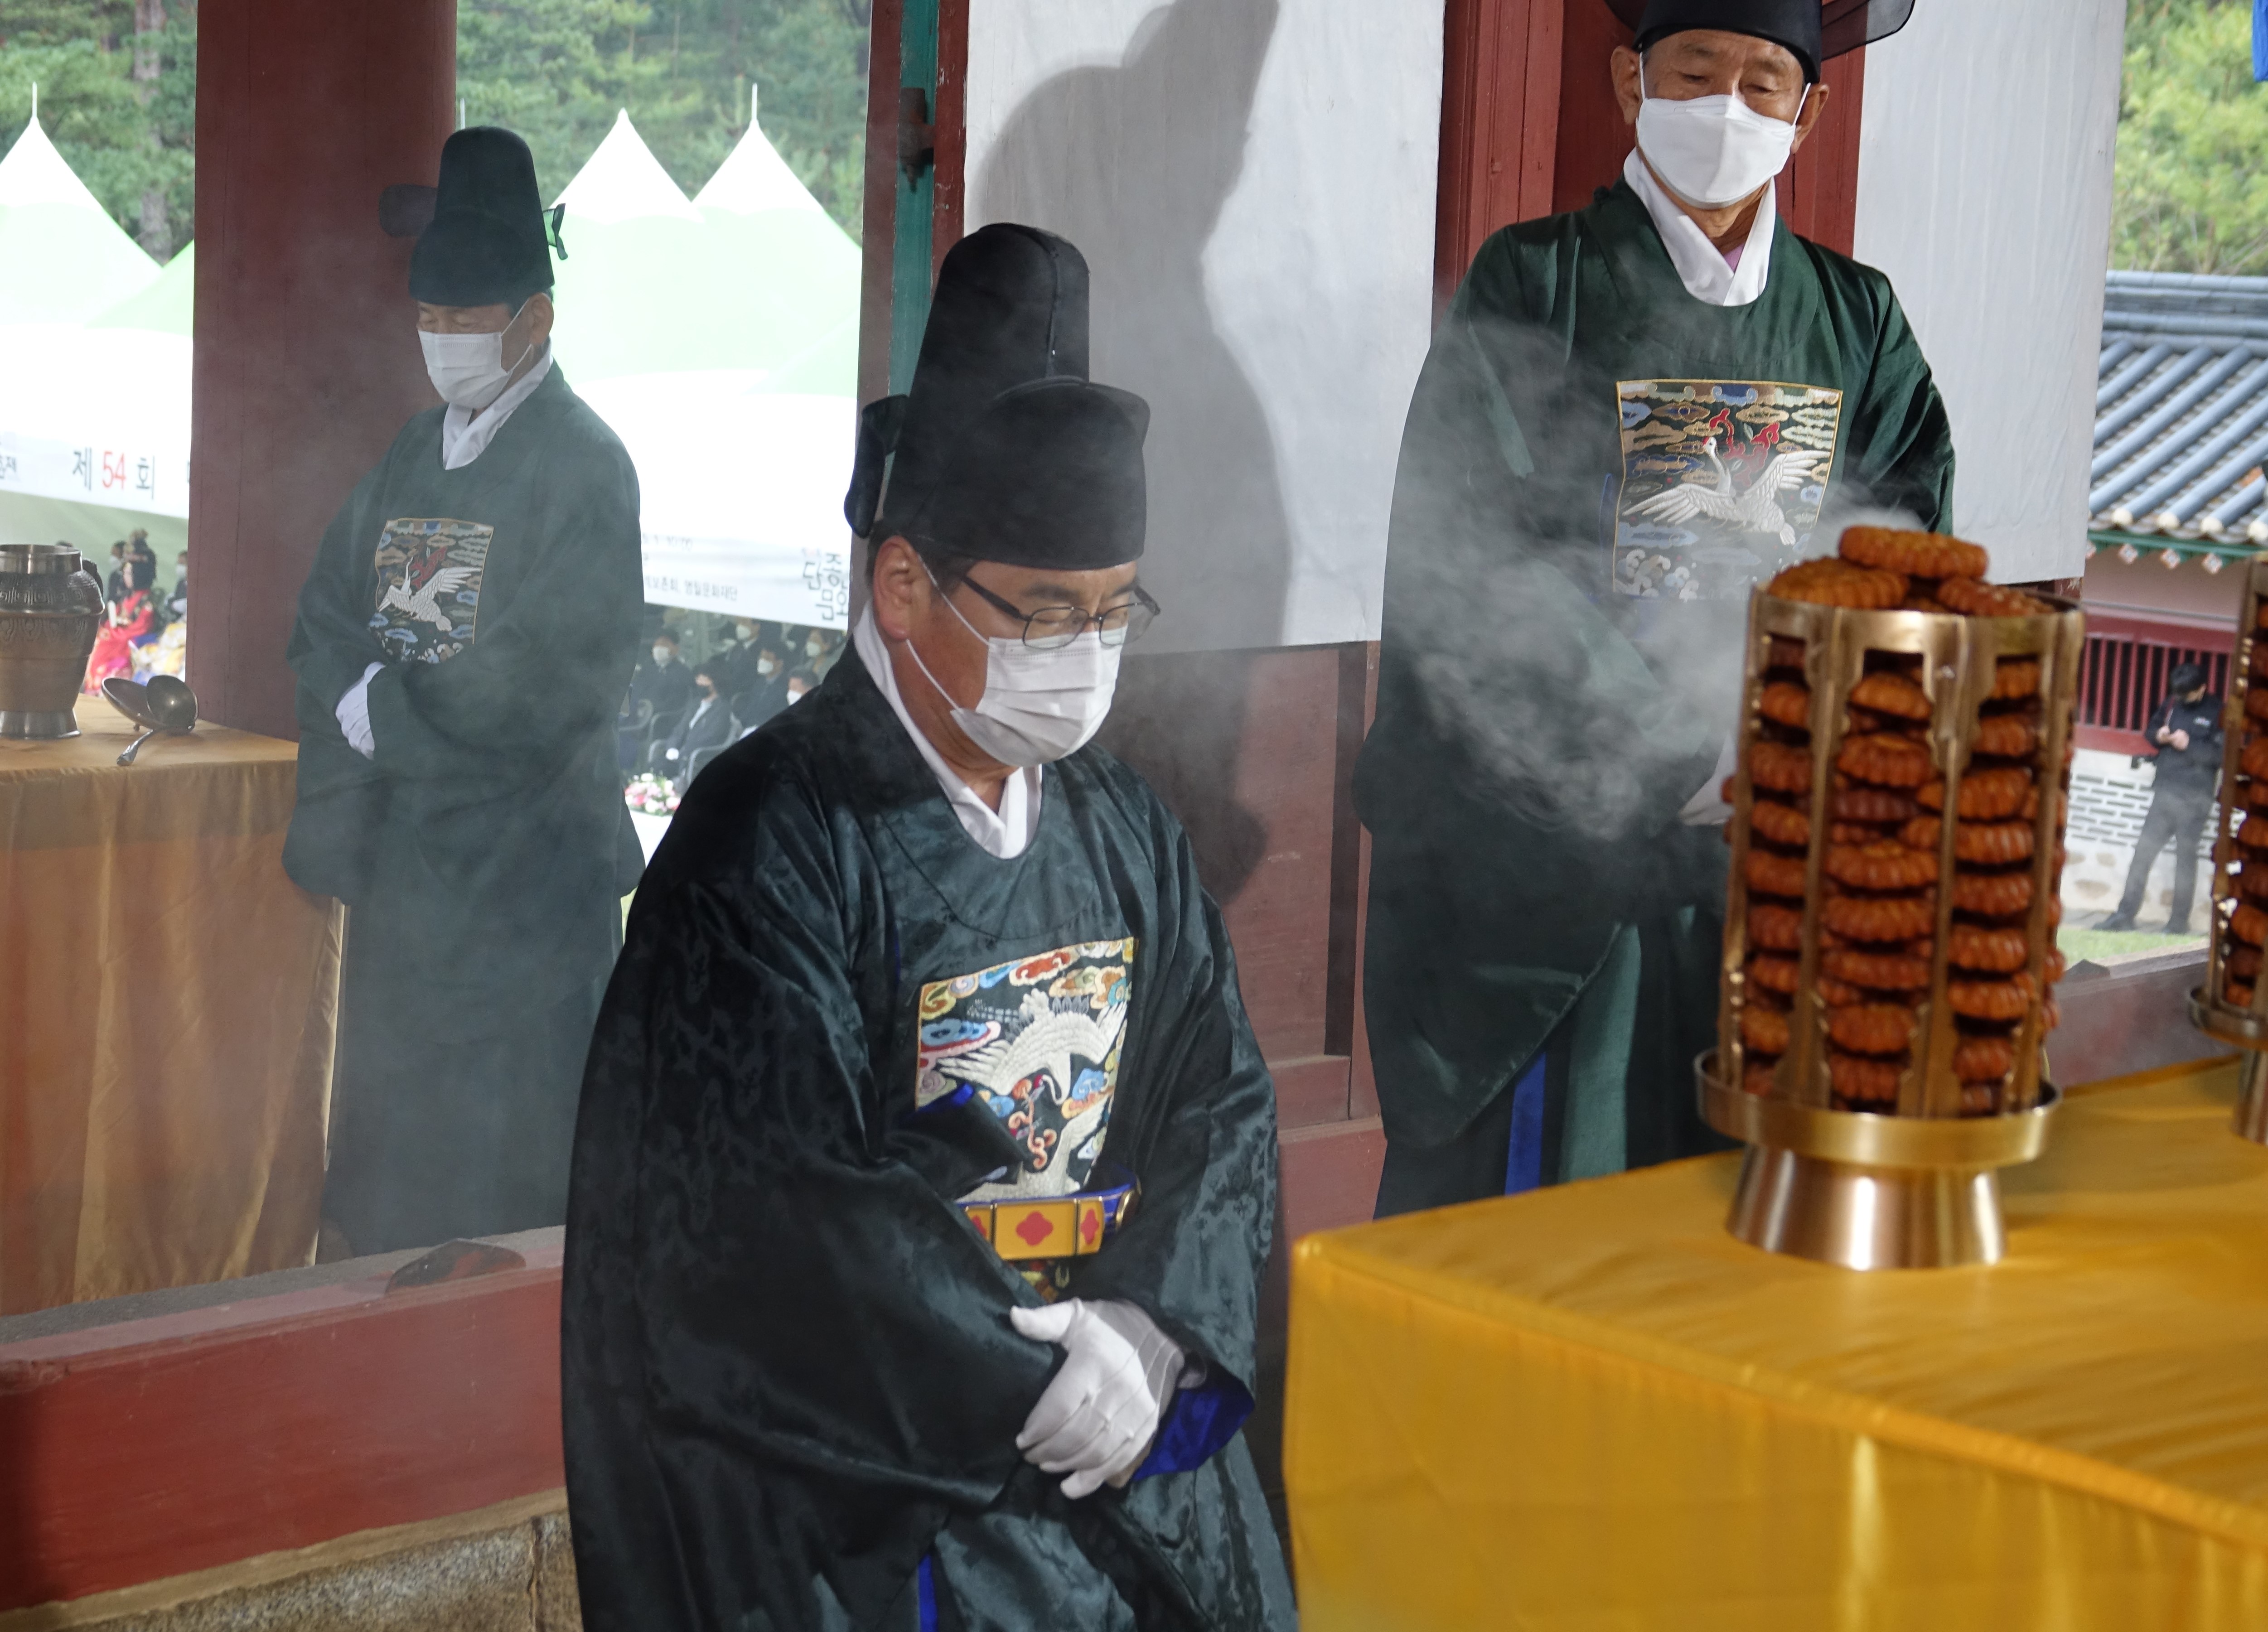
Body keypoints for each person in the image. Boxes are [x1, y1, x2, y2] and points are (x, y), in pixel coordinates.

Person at [563, 222, 1294, 1632]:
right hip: (874, 1487)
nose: (1083, 660)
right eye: (1044, 614)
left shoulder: (1121, 823)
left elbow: (1220, 1100)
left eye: (1112, 614)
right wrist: (1037, 1374)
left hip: (1122, 1427)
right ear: (902, 587)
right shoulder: (768, 836)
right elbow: (774, 1212)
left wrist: (1152, 1335)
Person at [1354, 0, 1951, 1216]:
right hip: (1568, 871)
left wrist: (1798, 735)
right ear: (1631, 84)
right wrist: (1670, 744)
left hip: (1765, 854)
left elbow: (1904, 554)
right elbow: (1469, 552)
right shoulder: (1535, 282)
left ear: (1806, 115)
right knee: (1562, 1215)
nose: (1726, 107)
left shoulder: (1858, 320)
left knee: (1736, 1208)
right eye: (1694, 72)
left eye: (1762, 83)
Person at [282, 126, 644, 1256]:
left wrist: (384, 712)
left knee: (508, 1199)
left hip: (526, 889)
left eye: (465, 320)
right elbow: (328, 608)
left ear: (535, 318)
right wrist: (356, 692)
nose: (442, 342)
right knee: (395, 1193)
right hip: (412, 883)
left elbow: (551, 677)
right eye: (429, 319)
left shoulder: (586, 465)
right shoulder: (411, 450)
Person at [2099, 661, 2223, 934]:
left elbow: (2221, 755)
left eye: (2187, 695)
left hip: (2195, 800)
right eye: (2179, 694)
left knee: (2185, 861)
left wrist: (2190, 745)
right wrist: (2160, 736)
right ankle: (2124, 916)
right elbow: (2150, 731)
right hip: (2165, 792)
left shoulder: (2218, 712)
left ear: (2202, 689)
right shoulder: (2172, 703)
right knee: (2142, 855)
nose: (2182, 699)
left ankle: (2178, 924)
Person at [646, 659, 736, 786]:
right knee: (649, 771)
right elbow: (679, 729)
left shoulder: (722, 710)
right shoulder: (695, 704)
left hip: (695, 760)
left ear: (715, 682)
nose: (699, 682)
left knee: (658, 774)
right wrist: (672, 747)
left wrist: (683, 754)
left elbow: (711, 738)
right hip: (678, 757)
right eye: (698, 679)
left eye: (703, 679)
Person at [616, 629, 693, 772]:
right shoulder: (649, 667)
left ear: (676, 649)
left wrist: (649, 710)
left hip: (662, 719)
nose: (659, 649)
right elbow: (636, 690)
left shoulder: (682, 673)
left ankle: (629, 766)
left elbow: (675, 703)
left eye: (665, 645)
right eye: (657, 645)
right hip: (638, 713)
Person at [85, 555, 157, 690]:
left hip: (130, 640)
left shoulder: (147, 601)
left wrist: (112, 634)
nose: (126, 577)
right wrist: (106, 630)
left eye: (129, 574)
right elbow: (115, 617)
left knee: (103, 647)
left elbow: (141, 628)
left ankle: (100, 687)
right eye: (125, 573)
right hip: (119, 635)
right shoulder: (128, 595)